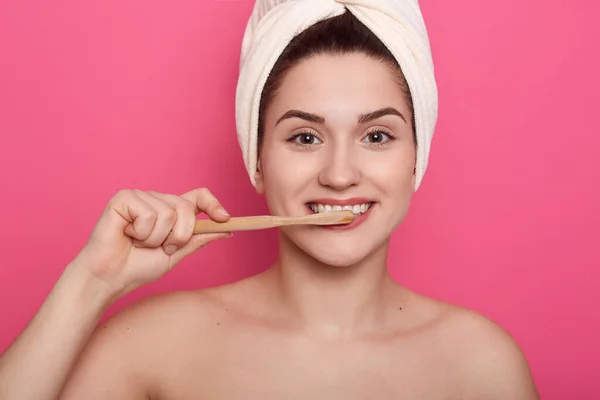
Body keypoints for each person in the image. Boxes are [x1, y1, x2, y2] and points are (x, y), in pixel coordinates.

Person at [0, 3, 539, 400]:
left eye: (377, 136)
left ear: (417, 157)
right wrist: (90, 283)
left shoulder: (482, 365)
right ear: (255, 159)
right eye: (305, 137)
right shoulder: (150, 348)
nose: (340, 174)